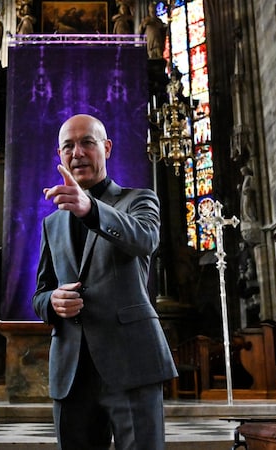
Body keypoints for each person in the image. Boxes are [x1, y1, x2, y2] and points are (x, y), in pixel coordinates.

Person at [33, 114, 177, 450]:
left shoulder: (139, 200)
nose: (78, 152)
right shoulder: (51, 224)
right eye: (68, 145)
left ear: (107, 148)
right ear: (60, 154)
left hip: (131, 363)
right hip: (72, 372)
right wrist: (52, 301)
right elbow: (40, 293)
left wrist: (90, 209)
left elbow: (144, 239)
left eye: (87, 142)